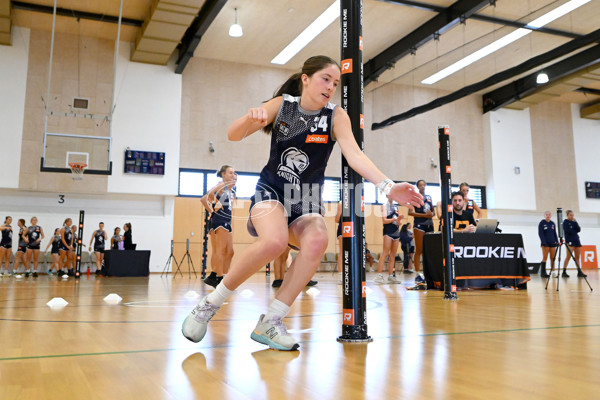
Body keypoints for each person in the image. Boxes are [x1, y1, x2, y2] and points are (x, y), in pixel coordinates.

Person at [181, 55, 423, 351]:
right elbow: (232, 136)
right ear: (306, 79)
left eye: (335, 83)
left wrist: (387, 185)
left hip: (306, 198)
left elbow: (354, 155)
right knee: (275, 241)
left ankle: (271, 321)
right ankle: (208, 305)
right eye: (325, 79)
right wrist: (249, 118)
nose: (331, 87)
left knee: (318, 239)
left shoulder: (336, 116)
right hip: (271, 192)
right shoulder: (283, 105)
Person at [201, 165, 237, 288]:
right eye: (230, 173)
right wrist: (212, 211)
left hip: (227, 221)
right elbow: (205, 197)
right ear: (223, 174)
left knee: (230, 252)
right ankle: (219, 278)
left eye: (234, 173)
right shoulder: (221, 185)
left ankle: (216, 275)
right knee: (220, 250)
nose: (233, 175)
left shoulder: (231, 190)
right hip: (219, 221)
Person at [374, 198, 403, 284]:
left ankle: (391, 276)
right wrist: (395, 219)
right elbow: (384, 220)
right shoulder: (384, 206)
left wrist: (399, 219)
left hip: (396, 232)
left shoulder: (396, 207)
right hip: (388, 232)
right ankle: (379, 275)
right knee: (385, 253)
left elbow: (397, 222)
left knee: (393, 255)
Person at [408, 180, 434, 272]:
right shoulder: (414, 197)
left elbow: (432, 211)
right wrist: (424, 215)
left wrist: (432, 214)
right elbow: (410, 212)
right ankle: (418, 273)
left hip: (429, 224)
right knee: (419, 249)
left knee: (429, 250)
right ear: (417, 187)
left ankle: (429, 272)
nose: (422, 186)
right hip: (419, 224)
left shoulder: (429, 197)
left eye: (424, 185)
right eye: (420, 185)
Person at [562, 210, 587, 278]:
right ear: (567, 215)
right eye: (570, 215)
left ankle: (579, 272)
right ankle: (564, 271)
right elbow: (569, 231)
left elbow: (578, 229)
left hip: (576, 240)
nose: (572, 216)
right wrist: (574, 230)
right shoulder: (565, 222)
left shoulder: (574, 222)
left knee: (577, 257)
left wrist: (575, 222)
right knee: (568, 257)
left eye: (573, 215)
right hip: (570, 241)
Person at [538, 211, 558, 278]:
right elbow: (540, 233)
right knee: (545, 257)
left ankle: (553, 272)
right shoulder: (542, 223)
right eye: (546, 214)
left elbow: (554, 233)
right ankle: (543, 272)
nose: (548, 215)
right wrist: (543, 242)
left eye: (549, 214)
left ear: (551, 215)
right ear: (544, 215)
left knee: (553, 258)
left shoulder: (552, 223)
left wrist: (557, 241)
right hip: (545, 243)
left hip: (552, 243)